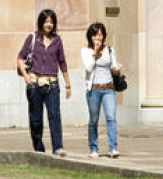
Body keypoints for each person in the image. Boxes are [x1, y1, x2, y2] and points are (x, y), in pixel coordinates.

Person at [16, 9, 71, 156]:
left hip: (52, 84)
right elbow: (20, 58)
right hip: (34, 84)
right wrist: (26, 76)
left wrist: (68, 84)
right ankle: (39, 148)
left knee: (54, 115)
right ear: (41, 23)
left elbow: (62, 62)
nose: (49, 25)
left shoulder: (57, 40)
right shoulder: (33, 38)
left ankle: (58, 147)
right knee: (36, 119)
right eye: (46, 22)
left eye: (51, 22)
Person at [80, 22, 121, 159]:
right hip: (94, 89)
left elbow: (114, 64)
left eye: (100, 35)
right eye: (95, 35)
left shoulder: (109, 49)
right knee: (94, 119)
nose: (98, 38)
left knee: (111, 117)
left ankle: (113, 148)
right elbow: (89, 68)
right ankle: (93, 148)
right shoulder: (86, 51)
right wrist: (95, 53)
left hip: (108, 88)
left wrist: (116, 69)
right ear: (90, 37)